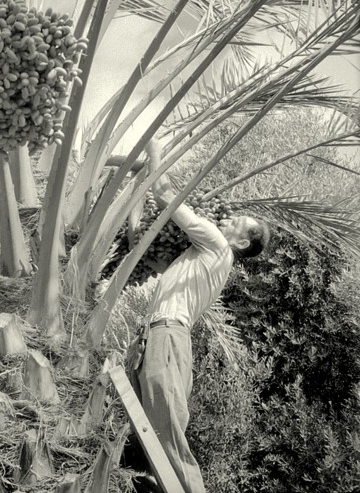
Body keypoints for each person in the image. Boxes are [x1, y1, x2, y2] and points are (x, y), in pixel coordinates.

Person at [122, 138, 270, 493]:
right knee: (144, 436)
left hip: (167, 337)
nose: (228, 217)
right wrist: (134, 188)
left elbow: (166, 195)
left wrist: (152, 150)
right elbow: (136, 246)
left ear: (242, 243)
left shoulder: (217, 245)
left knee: (167, 433)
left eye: (237, 221)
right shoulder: (200, 260)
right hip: (158, 338)